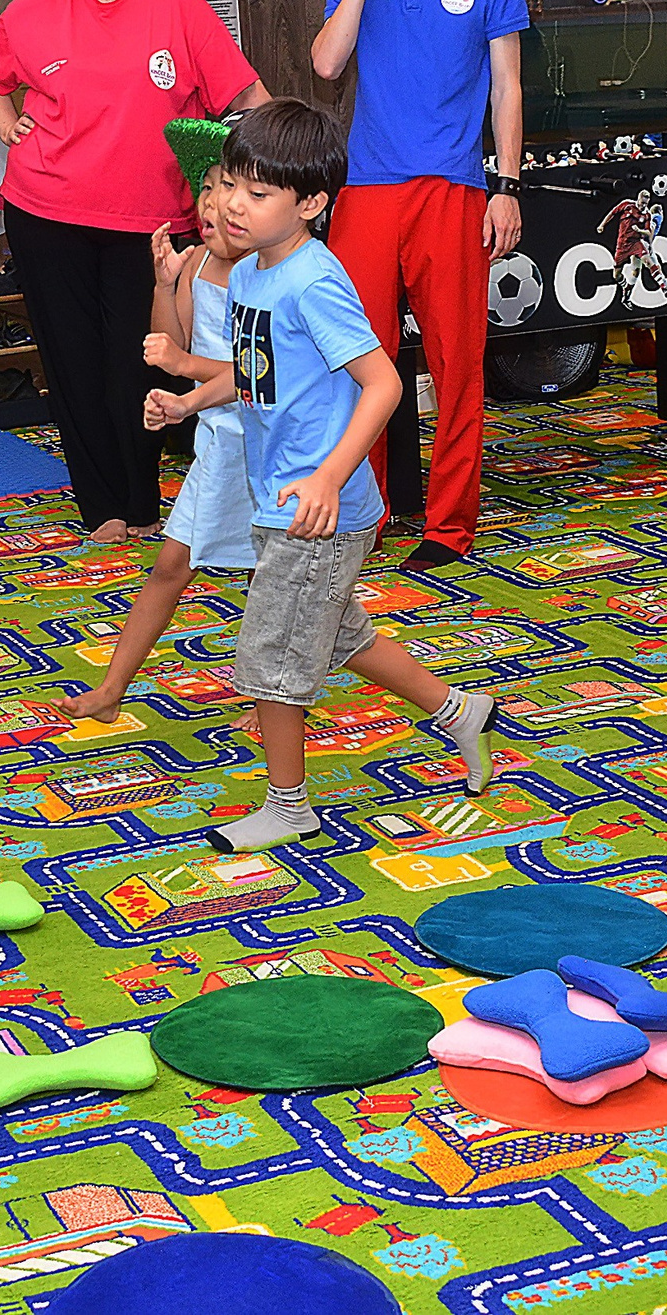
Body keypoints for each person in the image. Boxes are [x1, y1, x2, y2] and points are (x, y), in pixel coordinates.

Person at [141, 102, 498, 850]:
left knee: (270, 652)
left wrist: (332, 476)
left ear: (310, 204)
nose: (234, 203)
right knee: (337, 634)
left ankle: (288, 804)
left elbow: (384, 384)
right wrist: (186, 398)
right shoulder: (248, 277)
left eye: (259, 192)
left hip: (321, 506)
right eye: (230, 183)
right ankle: (460, 711)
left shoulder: (314, 281)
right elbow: (251, 376)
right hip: (282, 497)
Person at [0, 0, 269, 543]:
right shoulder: (36, 9)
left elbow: (246, 93)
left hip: (153, 224)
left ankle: (140, 503)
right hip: (46, 211)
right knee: (73, 361)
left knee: (139, 361)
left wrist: (275, 171)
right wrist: (2, 117)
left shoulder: (176, 2)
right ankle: (102, 508)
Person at [310, 0, 528, 570]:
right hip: (368, 190)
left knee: (456, 362)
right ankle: (361, 517)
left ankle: (449, 526)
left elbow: (507, 87)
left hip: (455, 187)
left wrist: (507, 183)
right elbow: (327, 64)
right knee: (355, 360)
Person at [58, 168, 255, 722]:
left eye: (233, 191)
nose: (216, 204)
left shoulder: (265, 275)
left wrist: (185, 381)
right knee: (172, 565)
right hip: (220, 440)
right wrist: (165, 285)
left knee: (278, 582)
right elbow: (173, 342)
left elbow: (257, 371)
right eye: (208, 190)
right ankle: (112, 689)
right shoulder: (195, 263)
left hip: (266, 442)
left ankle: (277, 701)